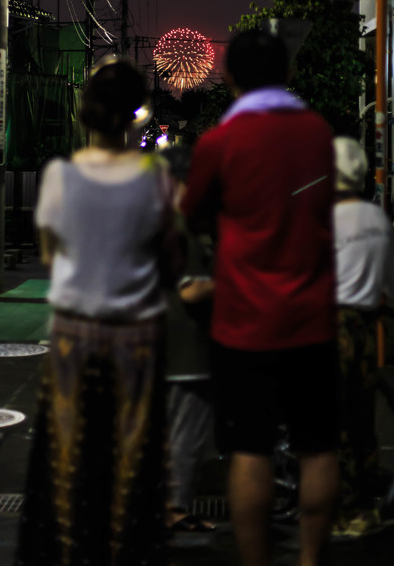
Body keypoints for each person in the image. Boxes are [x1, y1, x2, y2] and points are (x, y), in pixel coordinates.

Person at [15, 58, 182, 566]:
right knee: (132, 463)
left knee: (70, 461)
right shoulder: (157, 179)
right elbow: (171, 260)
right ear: (137, 116)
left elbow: (51, 253)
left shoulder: (60, 177)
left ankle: (68, 552)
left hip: (72, 335)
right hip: (138, 334)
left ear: (85, 112)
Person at [181, 28, 339, 566]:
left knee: (249, 448)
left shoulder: (220, 143)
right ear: (290, 75)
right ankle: (311, 559)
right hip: (313, 318)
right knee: (318, 446)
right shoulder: (319, 133)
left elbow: (191, 211)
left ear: (227, 79)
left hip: (244, 322)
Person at [331, 135, 394, 538]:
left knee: (331, 423)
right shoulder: (378, 222)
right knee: (362, 421)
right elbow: (393, 287)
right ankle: (363, 505)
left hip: (324, 328)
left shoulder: (320, 219)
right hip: (363, 331)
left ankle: (334, 510)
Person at [162, 145, 216, 533]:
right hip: (187, 348)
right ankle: (176, 509)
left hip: (167, 343)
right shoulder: (184, 224)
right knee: (187, 434)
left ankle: (168, 505)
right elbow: (189, 291)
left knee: (171, 433)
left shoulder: (163, 222)